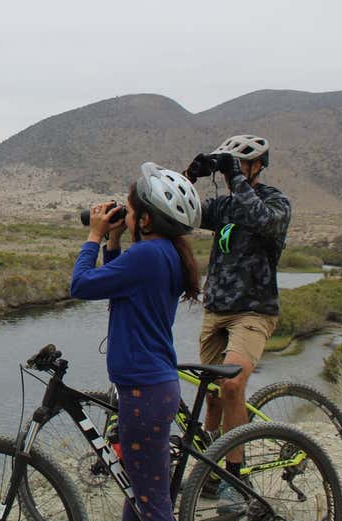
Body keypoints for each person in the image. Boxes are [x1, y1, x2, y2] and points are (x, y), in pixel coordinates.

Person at [70, 162, 201, 521]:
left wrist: (94, 236)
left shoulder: (147, 256)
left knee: (153, 506)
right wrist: (114, 240)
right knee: (140, 492)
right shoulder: (165, 254)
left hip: (145, 392)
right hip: (153, 388)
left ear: (145, 220)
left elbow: (81, 285)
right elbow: (118, 285)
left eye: (129, 209)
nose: (123, 214)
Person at [184, 135, 292, 511]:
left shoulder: (275, 202)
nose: (232, 169)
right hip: (216, 309)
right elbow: (186, 215)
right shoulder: (225, 205)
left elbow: (261, 221)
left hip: (254, 310)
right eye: (228, 163)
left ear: (257, 166)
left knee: (231, 386)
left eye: (239, 163)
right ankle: (211, 474)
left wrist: (235, 178)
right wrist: (188, 177)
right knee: (211, 396)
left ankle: (236, 479)